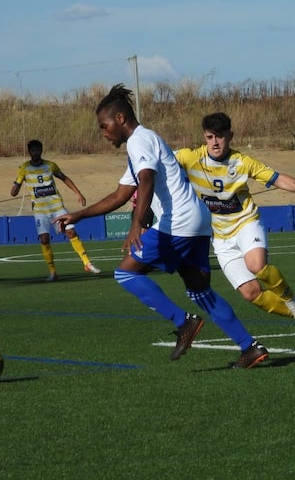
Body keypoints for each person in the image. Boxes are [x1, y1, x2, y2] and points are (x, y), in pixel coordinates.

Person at [53, 84, 268, 368]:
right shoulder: (143, 144)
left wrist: (137, 225)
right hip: (198, 221)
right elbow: (120, 194)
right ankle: (250, 347)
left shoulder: (138, 141)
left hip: (177, 222)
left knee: (125, 273)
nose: (103, 133)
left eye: (103, 126)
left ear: (120, 119)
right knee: (199, 291)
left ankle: (183, 322)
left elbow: (146, 181)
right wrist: (79, 215)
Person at [175, 112, 295, 338]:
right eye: (209, 137)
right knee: (251, 293)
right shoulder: (190, 157)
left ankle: (294, 304)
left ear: (230, 135)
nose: (215, 142)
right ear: (204, 137)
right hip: (219, 237)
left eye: (220, 136)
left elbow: (277, 178)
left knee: (257, 265)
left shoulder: (243, 162)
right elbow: (157, 160)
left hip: (246, 222)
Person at [11, 139, 101, 281]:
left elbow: (64, 178)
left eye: (37, 150)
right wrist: (16, 187)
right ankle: (53, 272)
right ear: (29, 152)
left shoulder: (50, 166)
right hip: (40, 210)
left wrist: (78, 193)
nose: (35, 153)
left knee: (71, 231)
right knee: (44, 239)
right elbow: (14, 191)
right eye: (33, 150)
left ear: (41, 151)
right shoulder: (24, 168)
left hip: (57, 206)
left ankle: (87, 263)